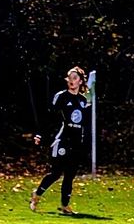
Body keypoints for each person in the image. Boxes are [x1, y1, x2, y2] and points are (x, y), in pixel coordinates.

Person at [30, 66, 91, 215]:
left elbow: (86, 124)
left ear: (81, 81)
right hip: (63, 139)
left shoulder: (84, 101)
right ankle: (36, 195)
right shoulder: (61, 96)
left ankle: (65, 205)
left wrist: (86, 143)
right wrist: (40, 134)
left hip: (77, 142)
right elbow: (49, 117)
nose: (71, 81)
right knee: (56, 172)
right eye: (69, 78)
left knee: (70, 175)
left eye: (75, 78)